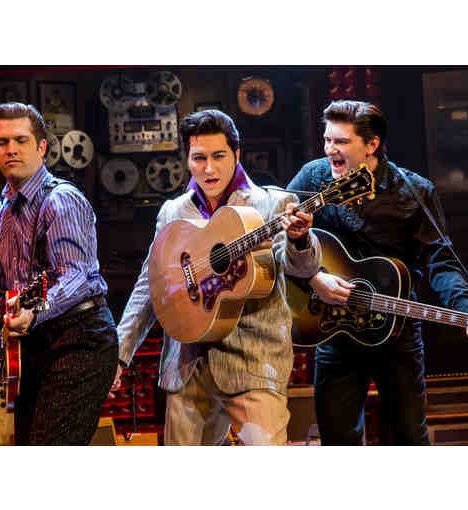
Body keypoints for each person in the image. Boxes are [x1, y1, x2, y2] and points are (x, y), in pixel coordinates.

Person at [287, 100, 468, 445]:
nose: (330, 150)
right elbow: (280, 238)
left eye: (341, 142)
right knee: (337, 441)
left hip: (397, 331)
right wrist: (313, 277)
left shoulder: (414, 191)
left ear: (372, 144)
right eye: (327, 140)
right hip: (335, 329)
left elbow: (440, 261)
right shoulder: (313, 177)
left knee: (409, 439)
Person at [113, 109, 321, 445]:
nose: (208, 168)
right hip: (186, 366)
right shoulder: (173, 212)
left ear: (237, 154)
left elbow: (302, 269)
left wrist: (299, 239)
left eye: (219, 156)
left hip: (253, 362)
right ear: (187, 159)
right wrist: (119, 354)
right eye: (199, 158)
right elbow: (149, 286)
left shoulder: (275, 204)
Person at [0, 102, 119, 445]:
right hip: (33, 346)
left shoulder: (60, 200)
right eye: (2, 142)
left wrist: (34, 310)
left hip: (79, 339)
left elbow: (74, 275)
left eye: (20, 140)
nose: (11, 149)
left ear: (41, 147)